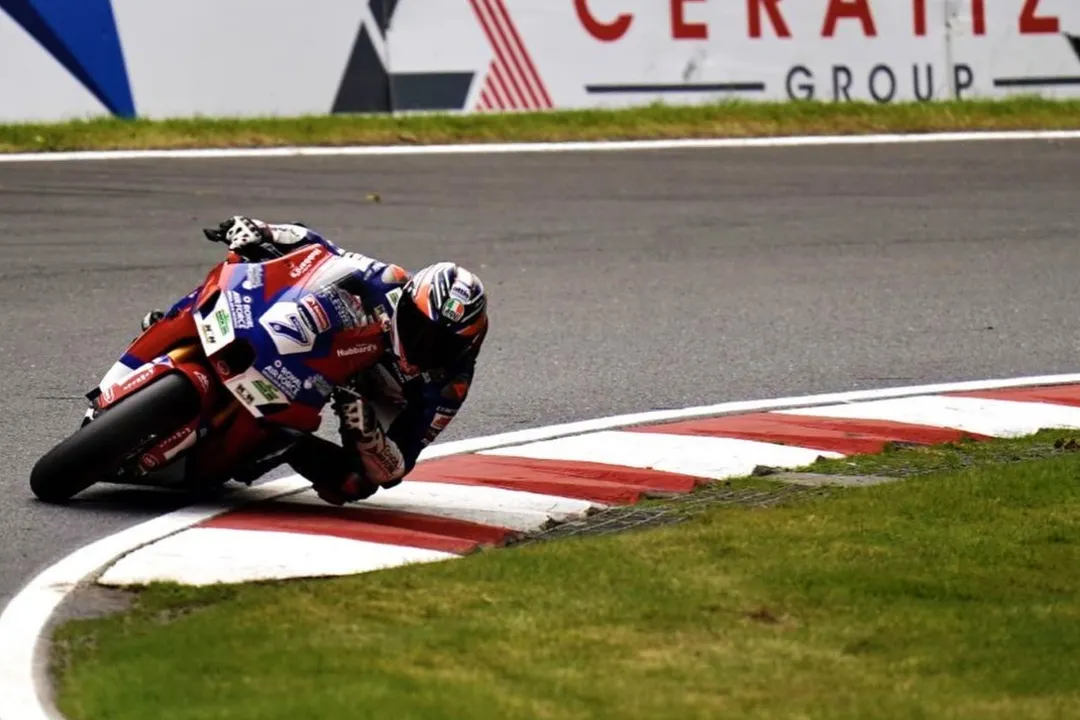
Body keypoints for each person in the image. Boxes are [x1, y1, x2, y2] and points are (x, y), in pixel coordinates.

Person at [143, 216, 488, 505]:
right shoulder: (387, 281)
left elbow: (397, 468)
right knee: (240, 269)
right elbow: (319, 250)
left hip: (366, 397)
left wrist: (370, 439)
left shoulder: (450, 384)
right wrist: (262, 231)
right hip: (325, 345)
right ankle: (175, 324)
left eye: (442, 344)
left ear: (467, 345)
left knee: (357, 483)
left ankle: (270, 445)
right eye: (419, 329)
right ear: (408, 302)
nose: (425, 347)